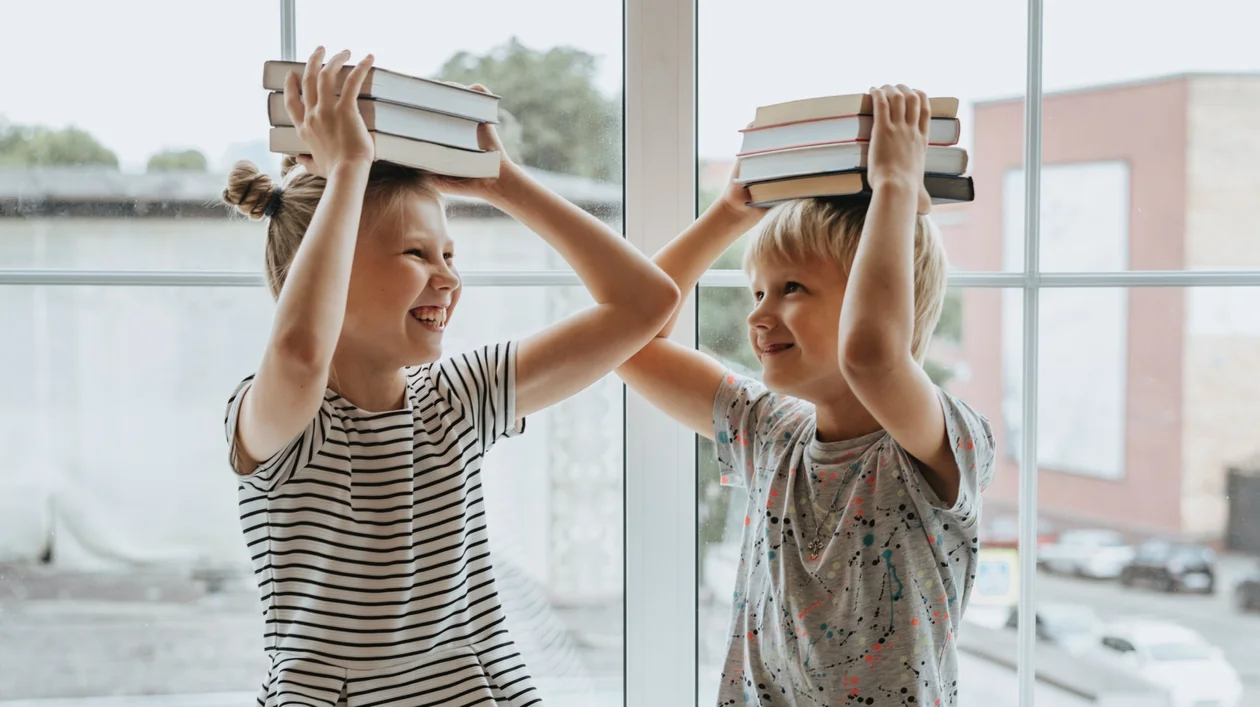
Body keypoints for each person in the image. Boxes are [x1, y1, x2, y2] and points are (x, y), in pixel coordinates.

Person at [220, 47, 679, 706]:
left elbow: (646, 304)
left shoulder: (459, 398)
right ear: (325, 276)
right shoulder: (284, 422)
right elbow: (297, 352)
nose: (448, 276)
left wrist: (504, 184)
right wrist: (350, 167)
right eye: (415, 252)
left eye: (450, 254)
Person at [617, 84, 995, 704]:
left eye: (792, 288)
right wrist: (728, 215)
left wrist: (897, 186)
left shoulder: (939, 438)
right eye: (757, 293)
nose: (759, 317)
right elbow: (626, 340)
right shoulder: (769, 430)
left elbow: (871, 357)